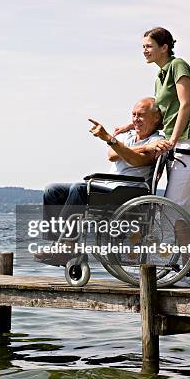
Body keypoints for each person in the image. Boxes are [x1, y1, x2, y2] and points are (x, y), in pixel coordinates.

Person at [114, 27, 190, 287]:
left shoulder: (179, 66)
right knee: (181, 212)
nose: (144, 50)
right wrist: (129, 127)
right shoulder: (160, 76)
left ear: (164, 47)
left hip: (188, 146)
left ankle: (183, 268)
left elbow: (186, 105)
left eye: (149, 45)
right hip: (177, 149)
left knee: (170, 209)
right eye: (143, 46)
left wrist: (174, 139)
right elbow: (160, 114)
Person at [37, 97, 164, 264]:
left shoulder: (157, 140)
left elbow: (137, 161)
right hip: (109, 187)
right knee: (52, 190)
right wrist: (140, 148)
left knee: (80, 188)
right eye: (133, 115)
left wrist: (113, 142)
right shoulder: (128, 136)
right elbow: (112, 156)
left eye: (140, 115)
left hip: (130, 192)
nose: (135, 119)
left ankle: (67, 246)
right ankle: (58, 242)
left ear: (155, 118)